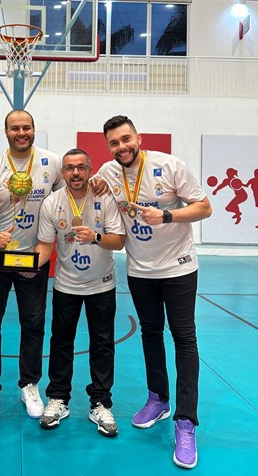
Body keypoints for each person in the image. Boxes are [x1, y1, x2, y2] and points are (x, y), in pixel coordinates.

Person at [98, 115, 212, 469]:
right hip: (139, 269)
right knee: (150, 333)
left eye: (126, 139)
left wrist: (166, 217)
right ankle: (158, 398)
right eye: (114, 143)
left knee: (184, 337)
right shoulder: (108, 172)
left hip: (178, 267)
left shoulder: (169, 165)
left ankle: (186, 422)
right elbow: (84, 180)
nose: (121, 147)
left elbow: (204, 207)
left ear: (138, 138)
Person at [0, 109, 63, 422]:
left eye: (26, 127)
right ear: (6, 132)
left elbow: (70, 197)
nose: (21, 133)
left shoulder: (52, 163)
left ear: (34, 129)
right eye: (15, 128)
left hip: (33, 255)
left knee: (34, 322)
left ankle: (30, 384)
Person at [33, 149, 125, 437]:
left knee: (102, 343)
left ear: (89, 170)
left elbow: (119, 241)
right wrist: (27, 266)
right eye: (69, 168)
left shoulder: (104, 197)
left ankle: (100, 402)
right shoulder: (51, 203)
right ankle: (58, 398)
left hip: (102, 284)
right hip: (66, 285)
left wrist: (95, 237)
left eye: (81, 168)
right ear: (63, 173)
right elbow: (45, 246)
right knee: (61, 342)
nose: (75, 173)